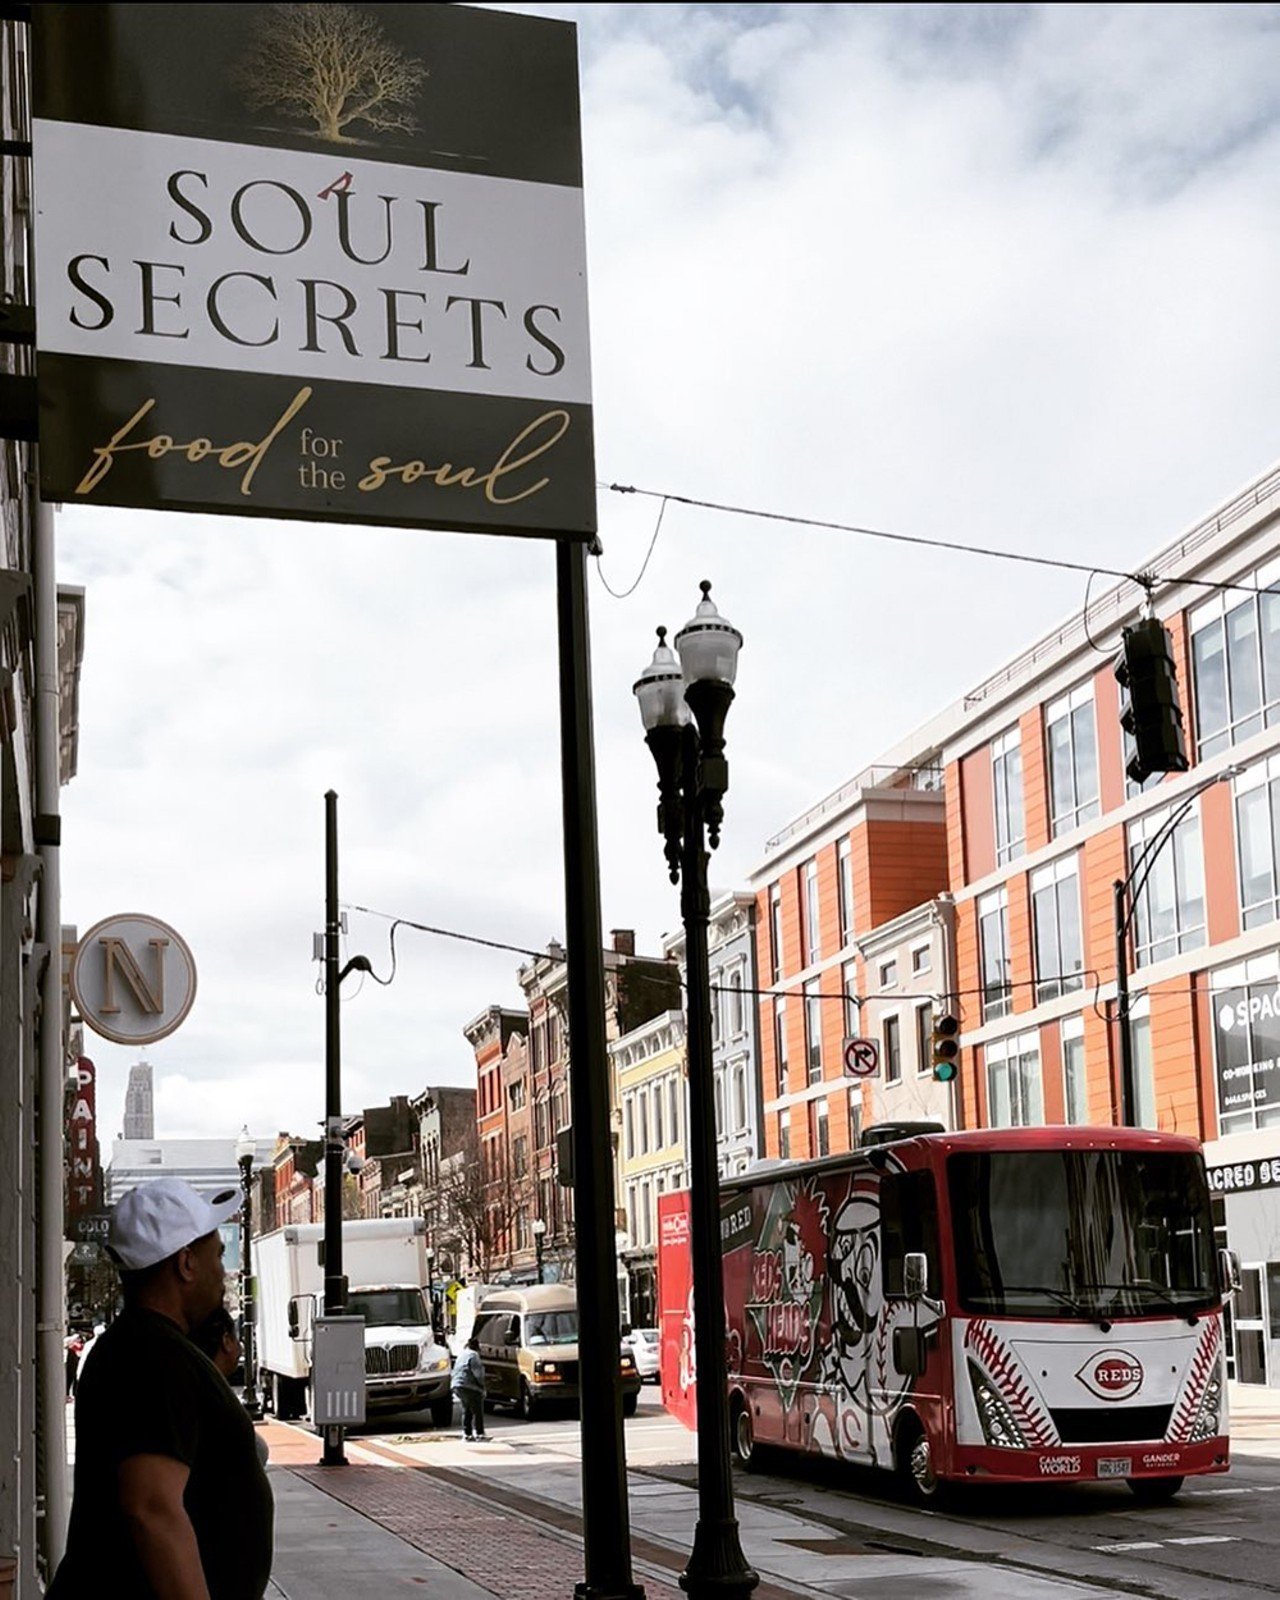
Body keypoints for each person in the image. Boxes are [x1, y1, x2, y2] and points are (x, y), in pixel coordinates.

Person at [48, 1178, 274, 1600]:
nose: (222, 1273)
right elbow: (152, 1509)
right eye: (217, 1256)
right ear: (186, 1263)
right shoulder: (151, 1356)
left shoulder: (149, 1348)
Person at [189, 1305, 269, 1466]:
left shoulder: (201, 1388)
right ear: (226, 1341)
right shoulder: (212, 1399)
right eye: (236, 1338)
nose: (240, 1347)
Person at [451, 1334, 486, 1442]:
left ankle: (467, 1434)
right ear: (477, 1347)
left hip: (457, 1384)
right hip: (468, 1385)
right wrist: (482, 1388)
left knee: (466, 1409)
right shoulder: (474, 1355)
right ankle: (480, 1434)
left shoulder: (462, 1355)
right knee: (477, 1410)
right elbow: (478, 1374)